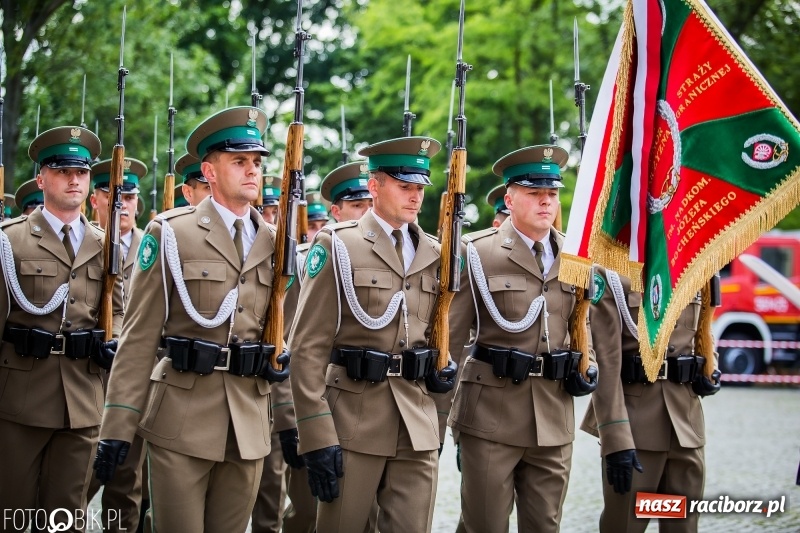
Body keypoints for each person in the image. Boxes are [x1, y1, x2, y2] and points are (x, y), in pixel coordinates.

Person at [93, 106, 290, 532]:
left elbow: (284, 337)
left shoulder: (277, 244)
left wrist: (292, 423)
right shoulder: (171, 233)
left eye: (257, 162)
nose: (252, 171)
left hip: (248, 424)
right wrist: (117, 428)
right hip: (182, 418)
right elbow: (139, 339)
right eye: (239, 162)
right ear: (209, 170)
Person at [289, 136, 457, 533]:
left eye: (420, 188)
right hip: (352, 421)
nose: (415, 197)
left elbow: (440, 335)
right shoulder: (338, 245)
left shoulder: (436, 253)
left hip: (415, 422)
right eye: (405, 186)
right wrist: (315, 435)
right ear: (374, 185)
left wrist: (440, 388)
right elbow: (307, 348)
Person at [447, 145, 598, 533]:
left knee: (545, 525)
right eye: (535, 193)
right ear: (510, 199)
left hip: (552, 412)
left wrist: (588, 363)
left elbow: (583, 324)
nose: (546, 202)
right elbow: (450, 338)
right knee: (485, 524)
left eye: (552, 193)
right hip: (490, 414)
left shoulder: (576, 255)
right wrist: (436, 420)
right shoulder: (477, 252)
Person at [0, 126, 123, 532]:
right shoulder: (11, 241)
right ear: (41, 179)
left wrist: (114, 338)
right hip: (21, 398)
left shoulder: (105, 245)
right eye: (62, 170)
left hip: (82, 401)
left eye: (82, 172)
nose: (74, 179)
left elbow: (120, 310)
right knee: (13, 512)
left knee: (65, 518)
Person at [581, 267, 720, 532]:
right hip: (635, 427)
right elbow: (606, 363)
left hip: (685, 425)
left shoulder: (695, 263)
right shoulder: (610, 273)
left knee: (683, 526)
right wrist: (616, 439)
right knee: (624, 525)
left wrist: (709, 366)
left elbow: (704, 328)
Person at [277, 161, 376, 533]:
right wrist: (294, 420)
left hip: (376, 412)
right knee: (308, 514)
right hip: (320, 407)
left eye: (371, 202)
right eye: (356, 205)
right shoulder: (308, 260)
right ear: (336, 212)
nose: (368, 213)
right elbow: (292, 345)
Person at [84, 156, 149, 532]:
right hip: (85, 382)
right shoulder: (83, 243)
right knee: (76, 484)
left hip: (134, 387)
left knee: (126, 488)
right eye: (113, 194)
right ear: (97, 199)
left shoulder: (155, 247)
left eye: (130, 195)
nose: (122, 202)